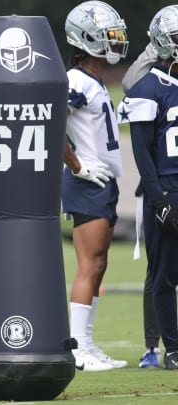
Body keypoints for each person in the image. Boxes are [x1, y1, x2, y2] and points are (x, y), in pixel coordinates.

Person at [63, 1, 129, 371]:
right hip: (85, 181)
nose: (116, 40)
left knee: (99, 264)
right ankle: (76, 349)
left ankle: (85, 343)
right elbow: (52, 122)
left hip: (100, 179)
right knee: (90, 264)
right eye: (108, 34)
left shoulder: (92, 80)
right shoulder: (74, 81)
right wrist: (76, 164)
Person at [117, 4, 178, 371]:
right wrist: (158, 199)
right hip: (166, 189)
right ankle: (170, 349)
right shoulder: (147, 87)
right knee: (163, 275)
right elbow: (141, 152)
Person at [121, 41, 163, 369]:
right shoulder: (155, 83)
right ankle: (153, 346)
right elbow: (131, 82)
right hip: (162, 184)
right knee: (158, 270)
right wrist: (155, 46)